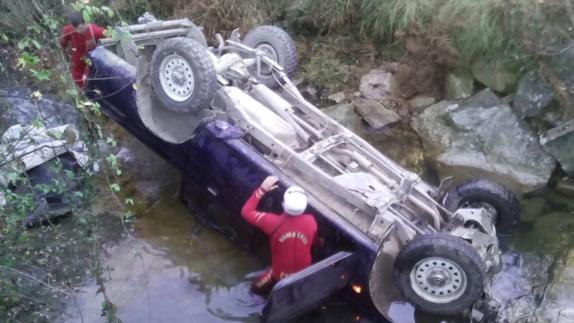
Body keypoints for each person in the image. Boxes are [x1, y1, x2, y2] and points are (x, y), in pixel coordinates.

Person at [241, 176, 318, 295]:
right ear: (304, 207)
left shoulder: (272, 222)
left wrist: (262, 189)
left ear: (283, 204)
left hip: (278, 277)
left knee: (253, 290)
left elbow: (246, 211)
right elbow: (316, 241)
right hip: (304, 276)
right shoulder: (311, 221)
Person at [59, 11, 106, 88]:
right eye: (76, 29)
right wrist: (64, 49)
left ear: (85, 23)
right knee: (77, 79)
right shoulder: (69, 30)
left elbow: (110, 36)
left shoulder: (95, 31)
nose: (79, 31)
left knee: (93, 81)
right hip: (78, 59)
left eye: (81, 28)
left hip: (92, 61)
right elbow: (63, 41)